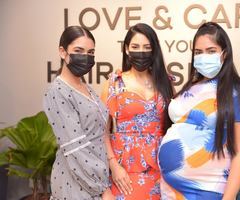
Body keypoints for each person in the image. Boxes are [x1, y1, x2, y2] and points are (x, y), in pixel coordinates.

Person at [158, 22, 240, 200]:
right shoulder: (192, 86)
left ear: (224, 54)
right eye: (198, 52)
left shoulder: (236, 90)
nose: (204, 57)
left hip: (208, 189)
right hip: (171, 190)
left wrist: (229, 197)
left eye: (211, 51)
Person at [101, 23, 173, 200]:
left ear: (154, 50)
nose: (141, 52)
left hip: (160, 169)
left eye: (147, 48)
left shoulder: (166, 82)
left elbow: (173, 126)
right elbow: (101, 131)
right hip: (124, 170)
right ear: (126, 49)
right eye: (135, 47)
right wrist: (114, 167)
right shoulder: (114, 83)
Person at [43, 26, 114, 200]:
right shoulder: (57, 91)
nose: (85, 57)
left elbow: (100, 132)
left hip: (96, 180)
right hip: (77, 182)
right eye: (78, 50)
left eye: (91, 52)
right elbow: (75, 148)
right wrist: (102, 188)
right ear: (62, 52)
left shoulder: (86, 88)